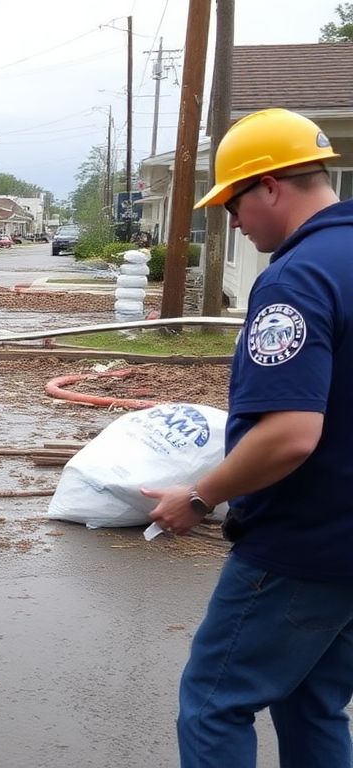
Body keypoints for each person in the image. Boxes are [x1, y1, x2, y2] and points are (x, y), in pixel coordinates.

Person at [142, 107, 353, 767]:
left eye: (233, 201)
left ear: (270, 185)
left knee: (214, 702)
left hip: (305, 542)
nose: (231, 220)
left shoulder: (298, 277)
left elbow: (290, 434)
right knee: (311, 700)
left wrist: (198, 496)